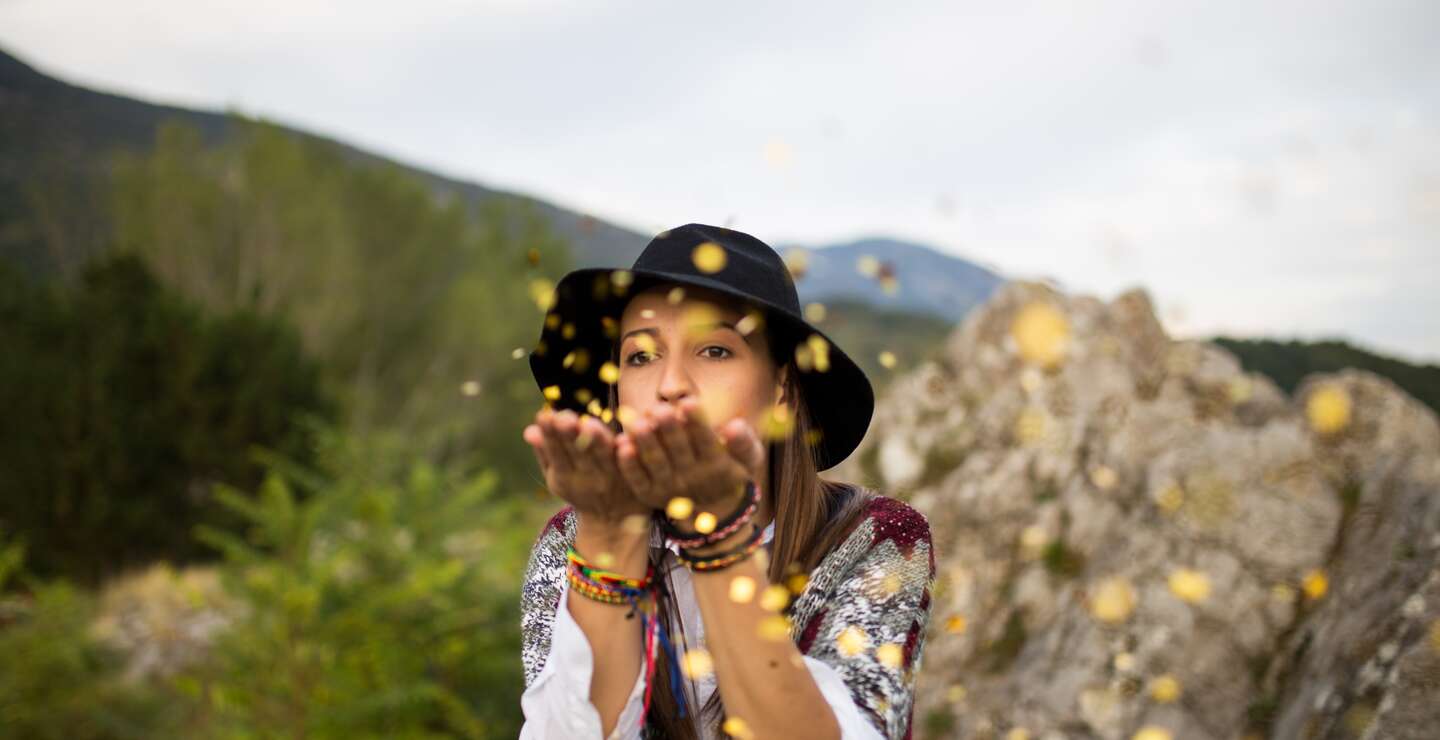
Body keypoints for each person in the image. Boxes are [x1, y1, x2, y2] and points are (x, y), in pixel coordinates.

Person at [517, 223, 935, 739]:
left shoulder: (876, 539)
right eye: (640, 357)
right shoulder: (571, 541)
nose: (670, 386)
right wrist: (608, 537)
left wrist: (719, 537)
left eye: (714, 350)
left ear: (781, 388)